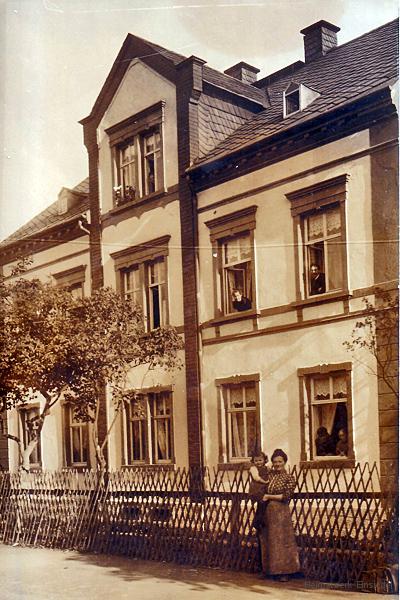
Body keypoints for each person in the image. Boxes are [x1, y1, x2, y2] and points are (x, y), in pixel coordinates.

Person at [256, 449, 300, 582]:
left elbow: (286, 496)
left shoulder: (289, 478)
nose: (277, 464)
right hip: (267, 511)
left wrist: (268, 496)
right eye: (275, 462)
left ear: (285, 462)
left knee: (281, 541)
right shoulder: (269, 475)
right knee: (267, 539)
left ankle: (284, 572)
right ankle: (269, 570)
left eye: (280, 461)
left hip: (281, 513)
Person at [249, 452, 270, 531]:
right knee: (262, 503)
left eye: (260, 460)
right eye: (256, 461)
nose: (258, 462)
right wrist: (265, 482)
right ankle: (257, 522)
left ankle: (259, 521)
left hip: (264, 488)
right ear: (253, 461)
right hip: (257, 488)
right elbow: (256, 478)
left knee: (263, 504)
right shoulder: (253, 468)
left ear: (264, 460)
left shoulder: (267, 468)